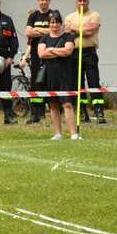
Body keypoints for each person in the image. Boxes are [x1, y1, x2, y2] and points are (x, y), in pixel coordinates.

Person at [64, 0, 106, 124]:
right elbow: (66, 33)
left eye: (84, 1)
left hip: (89, 52)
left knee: (93, 81)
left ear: (88, 2)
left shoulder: (95, 15)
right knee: (77, 83)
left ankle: (98, 110)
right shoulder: (69, 17)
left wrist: (74, 29)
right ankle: (82, 112)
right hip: (74, 53)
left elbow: (89, 32)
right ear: (76, 2)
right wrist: (81, 29)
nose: (82, 3)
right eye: (79, 1)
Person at [38, 12, 79, 140]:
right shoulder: (44, 38)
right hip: (50, 75)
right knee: (53, 105)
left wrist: (51, 50)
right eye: (52, 22)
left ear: (61, 24)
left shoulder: (68, 36)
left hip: (65, 74)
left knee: (67, 104)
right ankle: (58, 133)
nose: (54, 25)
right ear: (49, 24)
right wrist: (57, 52)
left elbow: (68, 51)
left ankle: (73, 134)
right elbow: (41, 54)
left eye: (56, 22)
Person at [25, 0, 61, 124]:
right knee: (36, 81)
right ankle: (37, 113)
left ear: (49, 1)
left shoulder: (53, 14)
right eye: (42, 0)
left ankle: (54, 111)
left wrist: (38, 30)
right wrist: (47, 31)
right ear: (38, 1)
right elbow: (28, 31)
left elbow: (57, 30)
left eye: (46, 0)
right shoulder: (34, 15)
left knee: (50, 80)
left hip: (50, 52)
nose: (44, 2)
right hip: (35, 53)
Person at [0, 0, 19, 124]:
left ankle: (8, 116)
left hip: (4, 57)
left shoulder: (7, 20)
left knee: (5, 87)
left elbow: (14, 41)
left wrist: (11, 56)